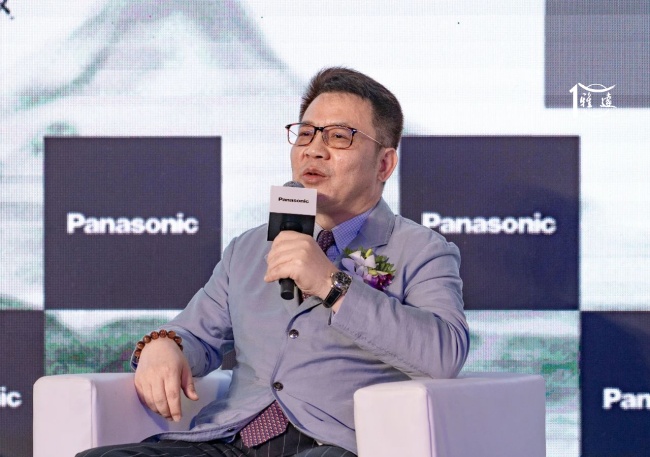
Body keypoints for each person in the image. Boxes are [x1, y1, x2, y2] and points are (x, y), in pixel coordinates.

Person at [77, 67, 469, 457]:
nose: (313, 149)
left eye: (338, 136)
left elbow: (444, 355)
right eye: (306, 133)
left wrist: (331, 284)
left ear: (384, 164)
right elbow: (195, 334)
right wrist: (164, 345)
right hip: (227, 441)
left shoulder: (421, 249)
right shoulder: (248, 248)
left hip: (333, 444)